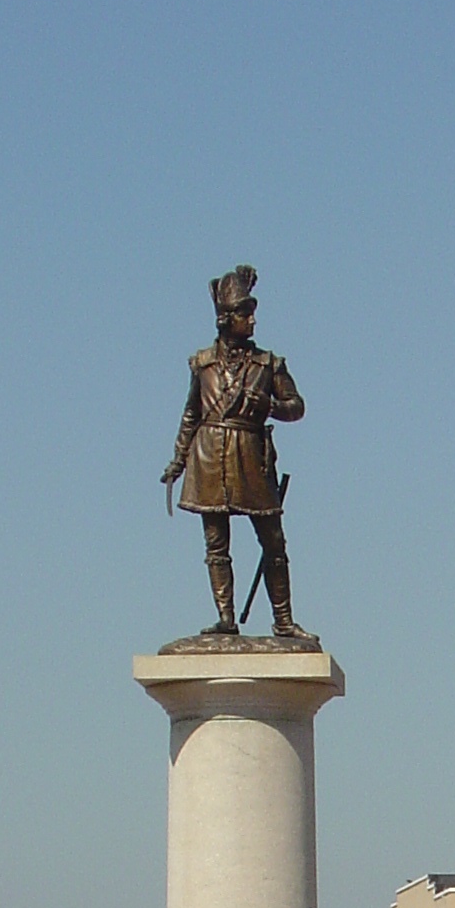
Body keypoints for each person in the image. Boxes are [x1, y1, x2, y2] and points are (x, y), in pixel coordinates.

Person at [162, 265, 308, 635]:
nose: (253, 321)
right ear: (227, 319)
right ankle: (226, 619)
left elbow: (297, 406)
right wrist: (178, 460)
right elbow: (191, 413)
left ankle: (284, 620)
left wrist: (270, 407)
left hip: (251, 457)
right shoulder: (202, 364)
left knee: (273, 541)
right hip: (209, 456)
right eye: (245, 314)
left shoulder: (269, 364)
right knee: (216, 544)